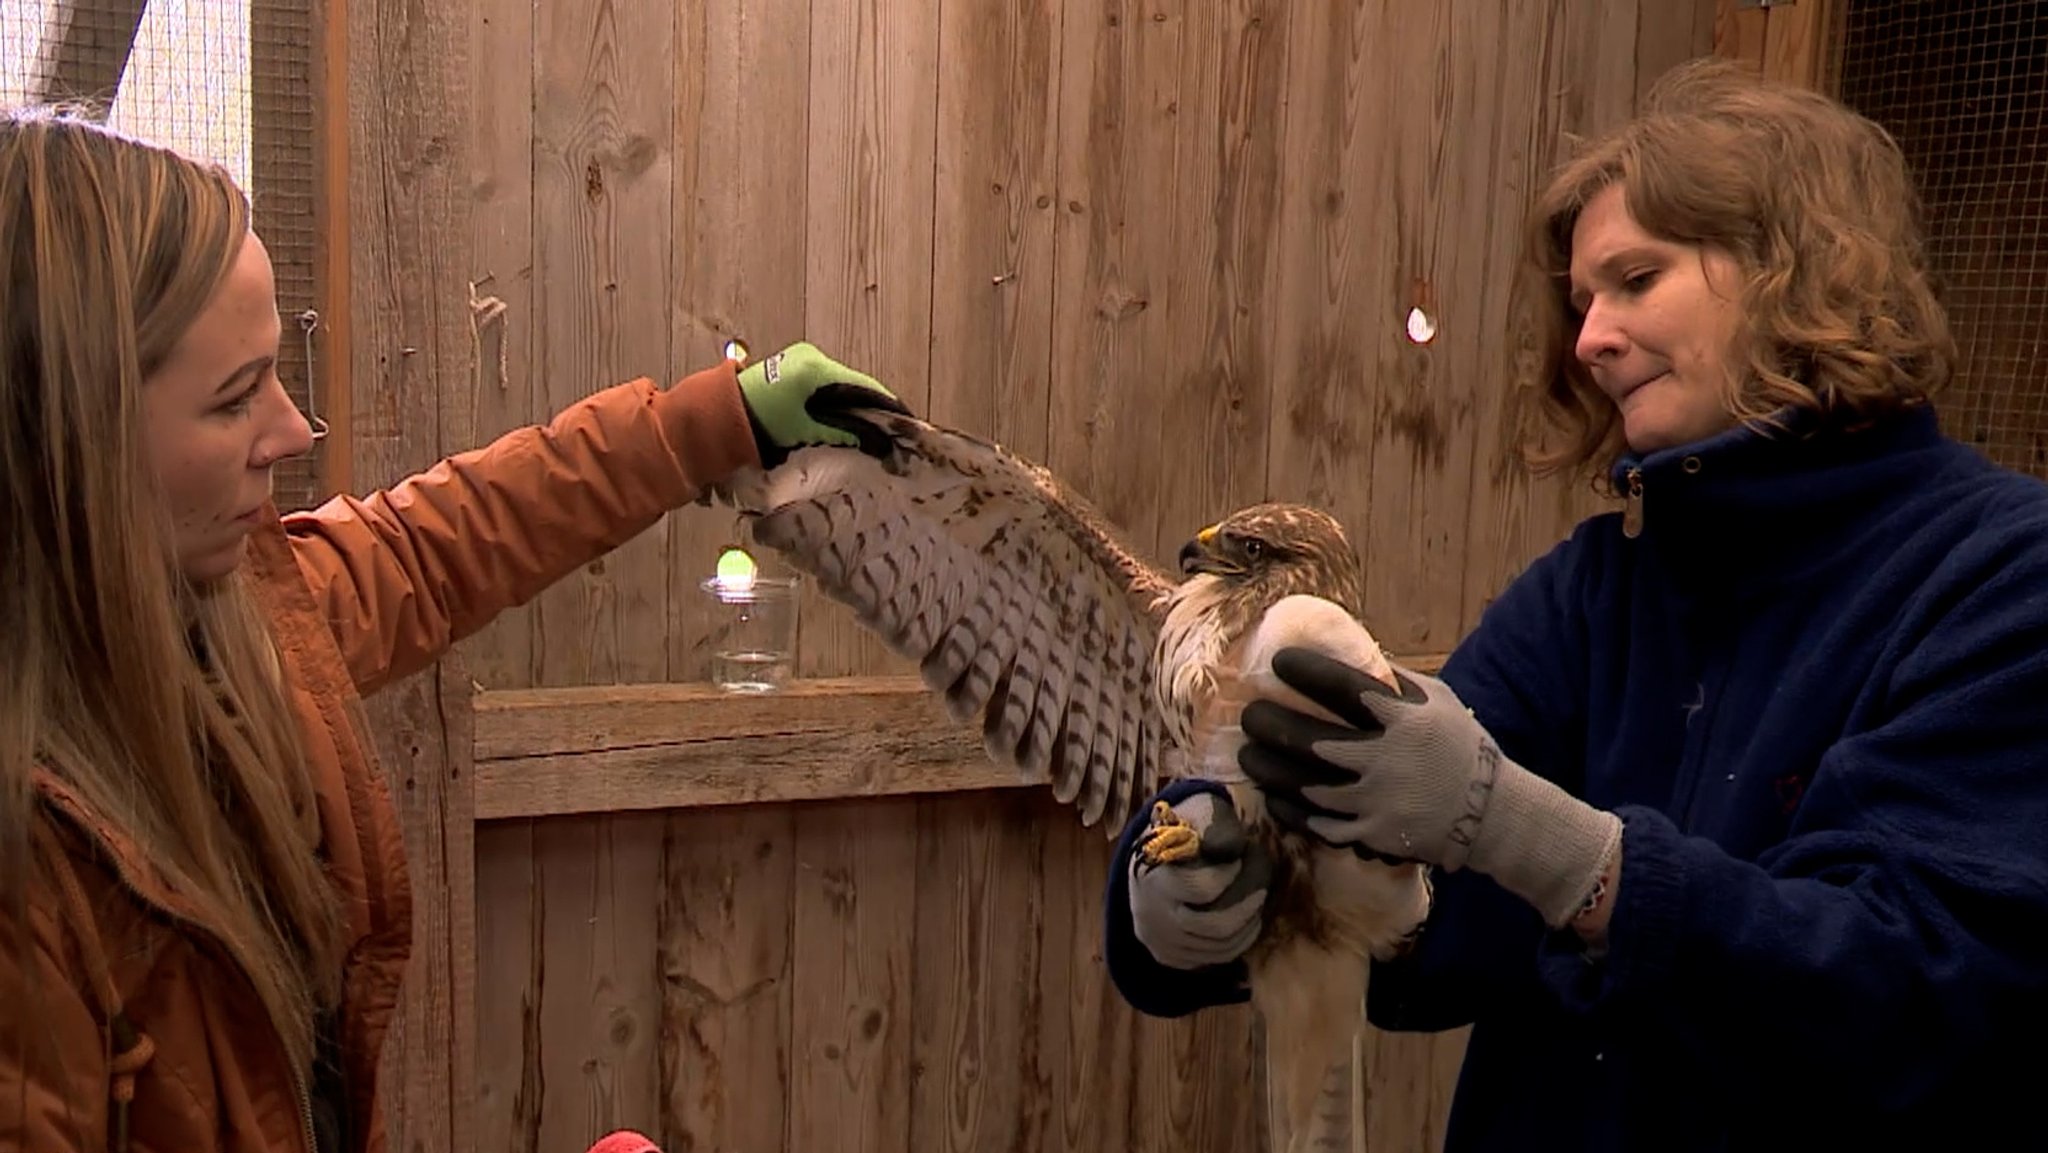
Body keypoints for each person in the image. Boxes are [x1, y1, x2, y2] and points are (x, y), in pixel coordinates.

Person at [1104, 56, 2048, 1151]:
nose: (1589, 339)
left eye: (1633, 281)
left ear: (1796, 274)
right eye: (1580, 302)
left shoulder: (1998, 575)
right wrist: (1215, 901)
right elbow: (1433, 906)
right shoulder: (1594, 589)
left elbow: (1915, 990)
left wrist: (1546, 845)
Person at [0, 107, 903, 1153]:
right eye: (235, 396)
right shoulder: (28, 884)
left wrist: (708, 424)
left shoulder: (226, 621)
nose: (294, 430)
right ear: (70, 438)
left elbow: (428, 551)